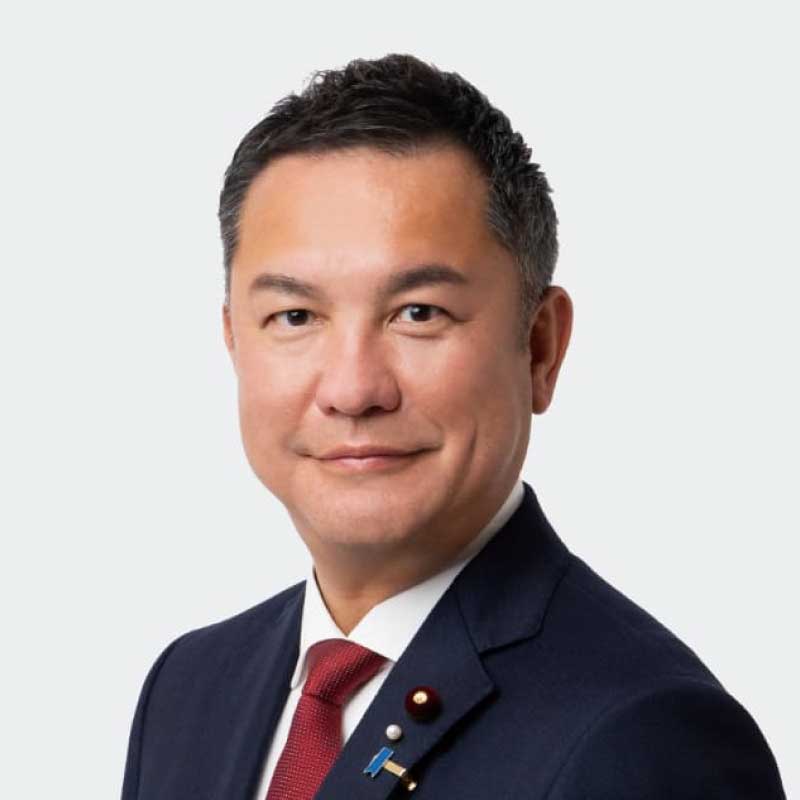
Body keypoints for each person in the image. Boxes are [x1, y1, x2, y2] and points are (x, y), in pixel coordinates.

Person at [121, 53, 786, 799]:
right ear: (233, 342)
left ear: (540, 347)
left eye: (418, 313)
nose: (353, 390)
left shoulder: (646, 738)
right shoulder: (190, 690)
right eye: (295, 316)